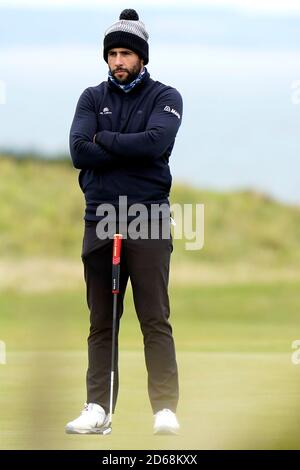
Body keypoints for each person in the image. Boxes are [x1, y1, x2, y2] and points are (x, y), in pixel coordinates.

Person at [66, 8, 183, 435]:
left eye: (126, 54)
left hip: (148, 217)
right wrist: (125, 149)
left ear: (141, 58)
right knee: (102, 321)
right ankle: (97, 407)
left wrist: (106, 141)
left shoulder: (166, 97)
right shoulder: (91, 98)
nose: (118, 61)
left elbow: (157, 144)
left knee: (154, 317)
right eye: (112, 53)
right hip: (100, 217)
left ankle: (165, 409)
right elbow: (79, 152)